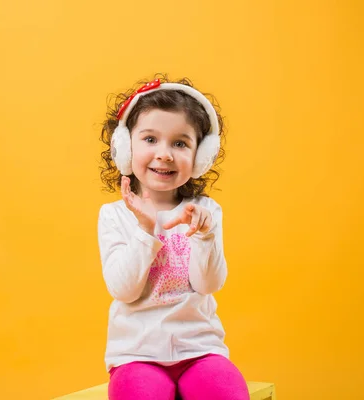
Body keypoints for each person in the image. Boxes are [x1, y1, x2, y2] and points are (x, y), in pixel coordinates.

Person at [97, 73, 250, 400]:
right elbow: (123, 290)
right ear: (124, 147)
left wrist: (205, 236)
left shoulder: (205, 211)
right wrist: (146, 230)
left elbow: (208, 285)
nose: (164, 154)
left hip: (200, 349)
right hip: (136, 354)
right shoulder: (114, 216)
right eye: (150, 139)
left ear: (200, 156)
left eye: (180, 143)